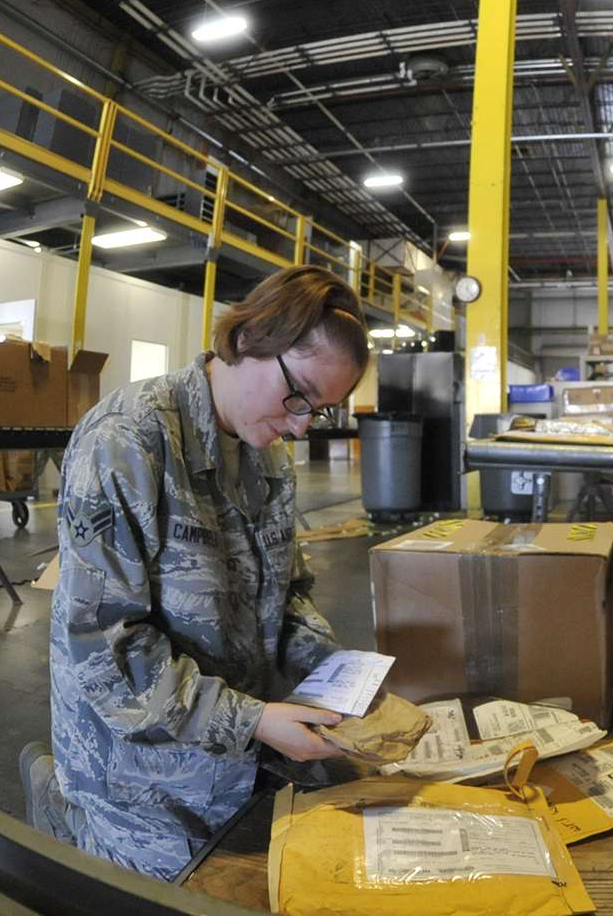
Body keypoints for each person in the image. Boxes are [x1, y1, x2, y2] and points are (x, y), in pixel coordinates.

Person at [19, 265, 370, 879]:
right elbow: (104, 649)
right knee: (180, 888)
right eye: (299, 398)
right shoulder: (126, 441)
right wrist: (254, 719)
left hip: (235, 741)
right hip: (139, 768)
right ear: (246, 341)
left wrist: (336, 675)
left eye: (321, 412)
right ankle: (66, 806)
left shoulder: (269, 457)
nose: (300, 425)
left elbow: (289, 595)